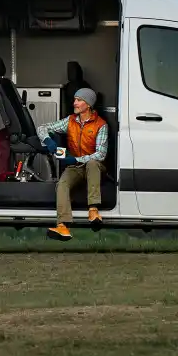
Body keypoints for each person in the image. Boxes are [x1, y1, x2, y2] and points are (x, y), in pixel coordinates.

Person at [37, 87, 108, 241]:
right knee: (62, 184)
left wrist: (76, 159)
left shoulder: (101, 125)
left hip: (94, 166)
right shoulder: (70, 121)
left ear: (88, 104)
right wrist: (48, 140)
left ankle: (93, 210)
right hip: (75, 167)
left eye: (79, 100)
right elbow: (42, 127)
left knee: (93, 163)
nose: (74, 103)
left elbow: (101, 154)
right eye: (75, 99)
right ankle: (63, 226)